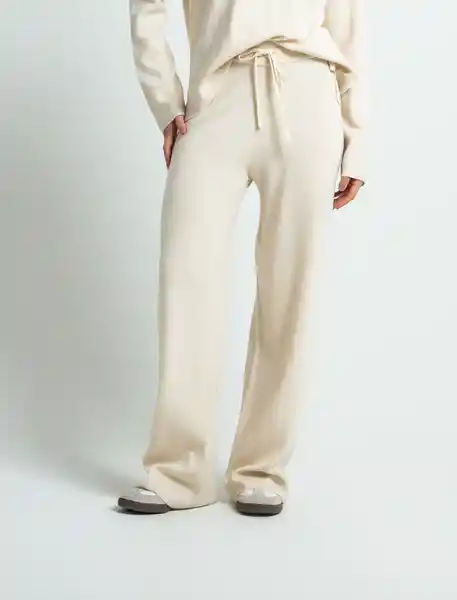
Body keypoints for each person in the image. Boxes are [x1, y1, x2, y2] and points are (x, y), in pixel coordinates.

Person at [118, 0, 367, 517]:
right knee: (187, 283)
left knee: (290, 292)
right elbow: (147, 10)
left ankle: (260, 470)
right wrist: (165, 102)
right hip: (216, 96)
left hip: (308, 93)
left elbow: (347, 27)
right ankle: (180, 472)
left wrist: (356, 137)